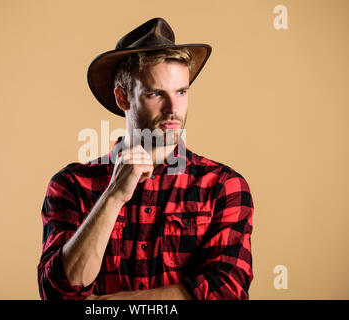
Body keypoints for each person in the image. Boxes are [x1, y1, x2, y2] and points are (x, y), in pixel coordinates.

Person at [37, 17, 254, 300]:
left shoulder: (223, 186)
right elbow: (58, 292)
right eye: (155, 93)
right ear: (123, 98)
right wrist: (113, 196)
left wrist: (107, 305)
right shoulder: (71, 184)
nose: (173, 108)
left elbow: (228, 291)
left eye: (181, 92)